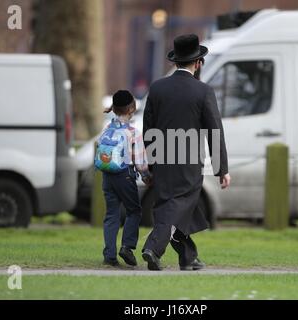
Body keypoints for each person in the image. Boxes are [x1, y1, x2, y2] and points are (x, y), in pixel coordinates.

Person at [141, 34, 231, 271]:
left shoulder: (157, 87)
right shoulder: (203, 91)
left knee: (175, 206)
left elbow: (148, 129)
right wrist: (222, 169)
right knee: (179, 204)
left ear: (176, 61)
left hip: (161, 157)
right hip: (188, 160)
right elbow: (215, 132)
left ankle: (188, 256)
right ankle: (153, 247)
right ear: (198, 62)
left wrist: (150, 164)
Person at [95, 90, 151, 267]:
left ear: (114, 109)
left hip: (107, 177)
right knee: (134, 211)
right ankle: (127, 246)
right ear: (132, 109)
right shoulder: (133, 133)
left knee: (111, 214)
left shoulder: (107, 129)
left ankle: (109, 255)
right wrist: (147, 176)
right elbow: (140, 162)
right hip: (125, 176)